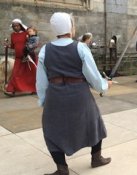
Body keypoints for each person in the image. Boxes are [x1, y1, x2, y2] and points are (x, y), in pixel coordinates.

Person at [36, 12, 112, 175]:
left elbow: (41, 82)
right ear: (70, 28)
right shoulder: (80, 48)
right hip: (80, 95)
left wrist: (43, 100)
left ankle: (62, 168)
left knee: (52, 129)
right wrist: (105, 86)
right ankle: (96, 158)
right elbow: (93, 76)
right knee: (93, 123)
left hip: (55, 96)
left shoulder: (44, 50)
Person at [3, 19, 37, 96]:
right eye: (14, 26)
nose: (16, 27)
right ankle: (11, 90)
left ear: (20, 26)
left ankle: (35, 89)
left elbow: (33, 42)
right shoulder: (13, 35)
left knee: (32, 74)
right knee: (15, 74)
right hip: (18, 58)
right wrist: (7, 45)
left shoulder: (26, 33)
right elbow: (13, 46)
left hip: (28, 57)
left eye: (17, 25)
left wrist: (30, 50)